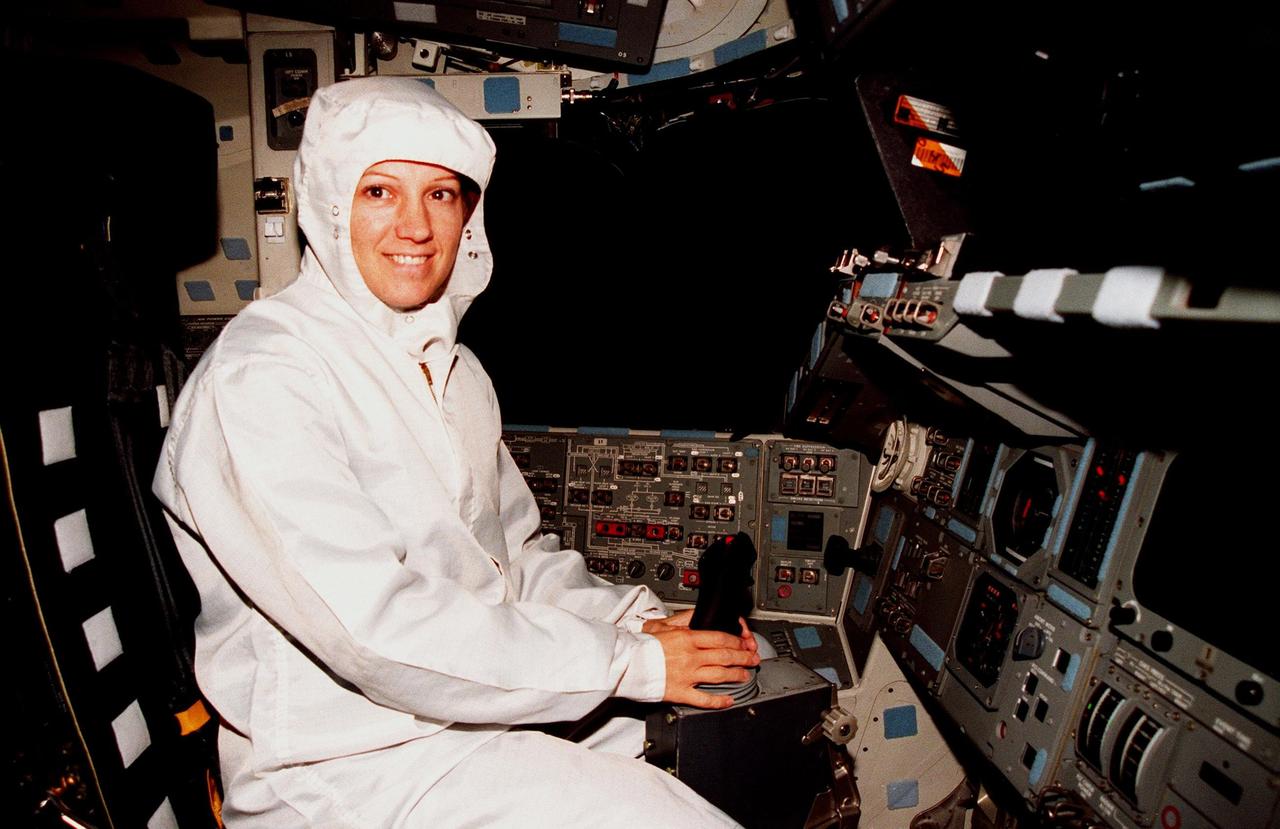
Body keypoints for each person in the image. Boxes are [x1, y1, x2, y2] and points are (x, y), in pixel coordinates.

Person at [153, 76, 758, 827]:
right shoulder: (264, 377)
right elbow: (374, 631)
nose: (415, 226)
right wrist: (629, 664)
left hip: (453, 723)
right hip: (344, 772)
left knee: (721, 755)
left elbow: (510, 564)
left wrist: (637, 625)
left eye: (441, 194)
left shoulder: (456, 372)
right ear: (329, 203)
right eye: (380, 192)